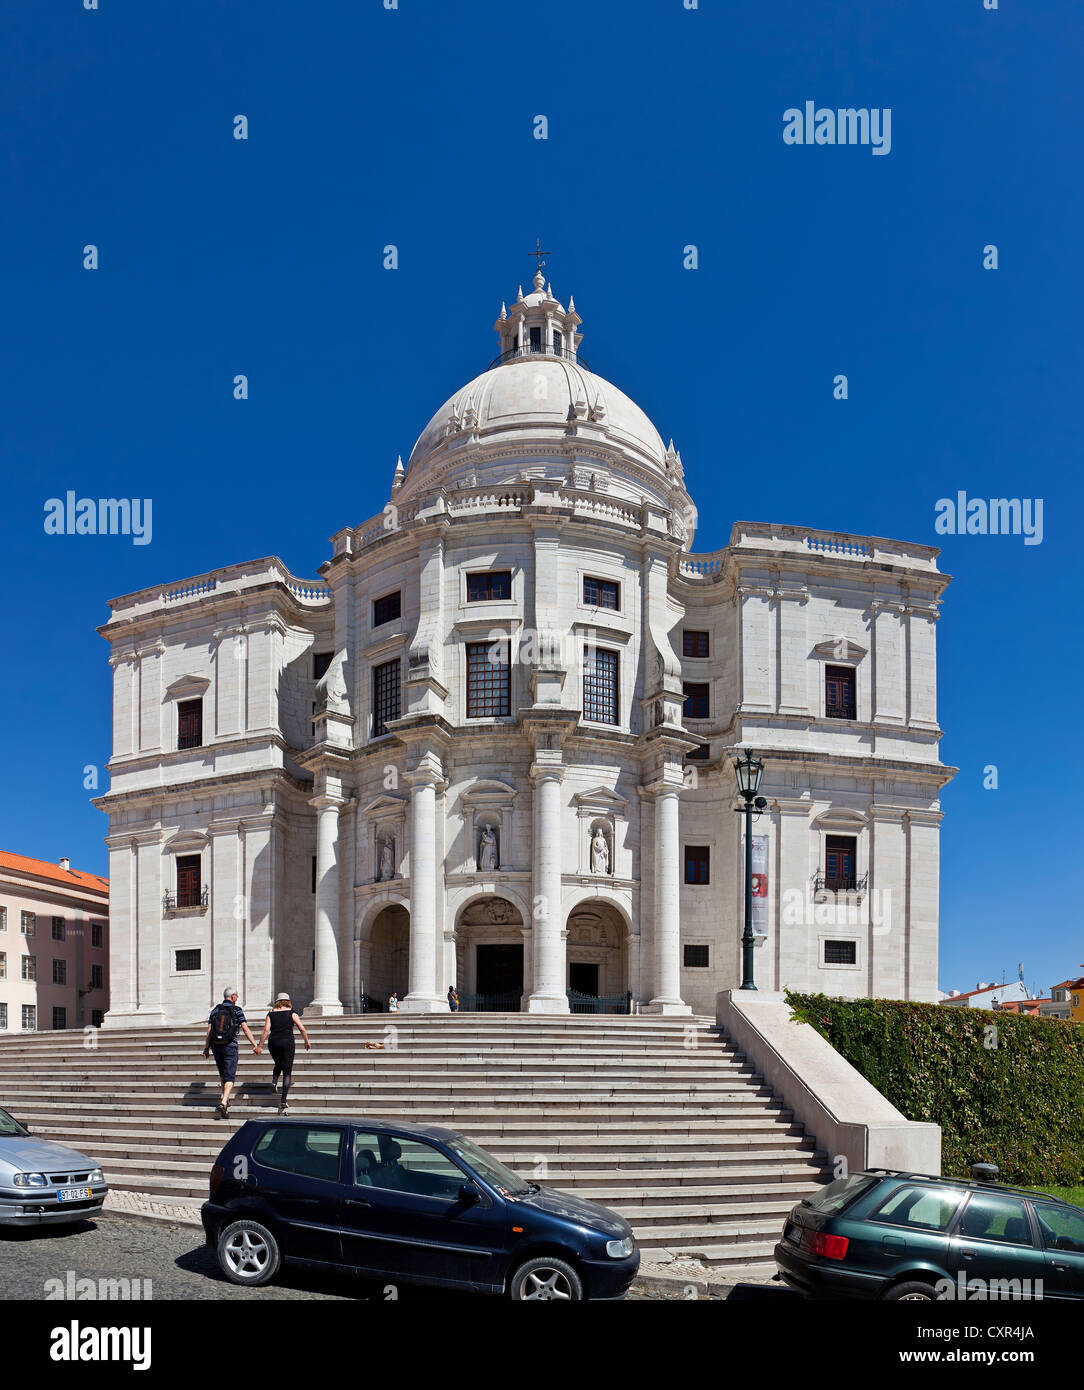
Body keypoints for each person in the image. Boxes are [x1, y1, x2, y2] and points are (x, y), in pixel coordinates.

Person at [202, 987, 258, 1118]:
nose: (237, 998)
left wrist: (206, 1048)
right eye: (237, 996)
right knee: (230, 1076)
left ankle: (225, 1100)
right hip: (230, 1046)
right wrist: (255, 1044)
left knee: (223, 1074)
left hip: (216, 1046)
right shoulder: (237, 1010)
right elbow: (245, 1029)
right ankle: (223, 1102)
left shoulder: (215, 1010)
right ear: (232, 996)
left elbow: (209, 1032)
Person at [255, 992, 311, 1115]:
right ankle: (283, 1100)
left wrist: (259, 1046)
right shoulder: (292, 1013)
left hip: (273, 1042)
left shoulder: (270, 1013)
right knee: (287, 1071)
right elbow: (302, 1028)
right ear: (288, 1001)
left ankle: (274, 1081)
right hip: (287, 1042)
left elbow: (266, 1030)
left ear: (277, 1002)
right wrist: (306, 1041)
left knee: (279, 1063)